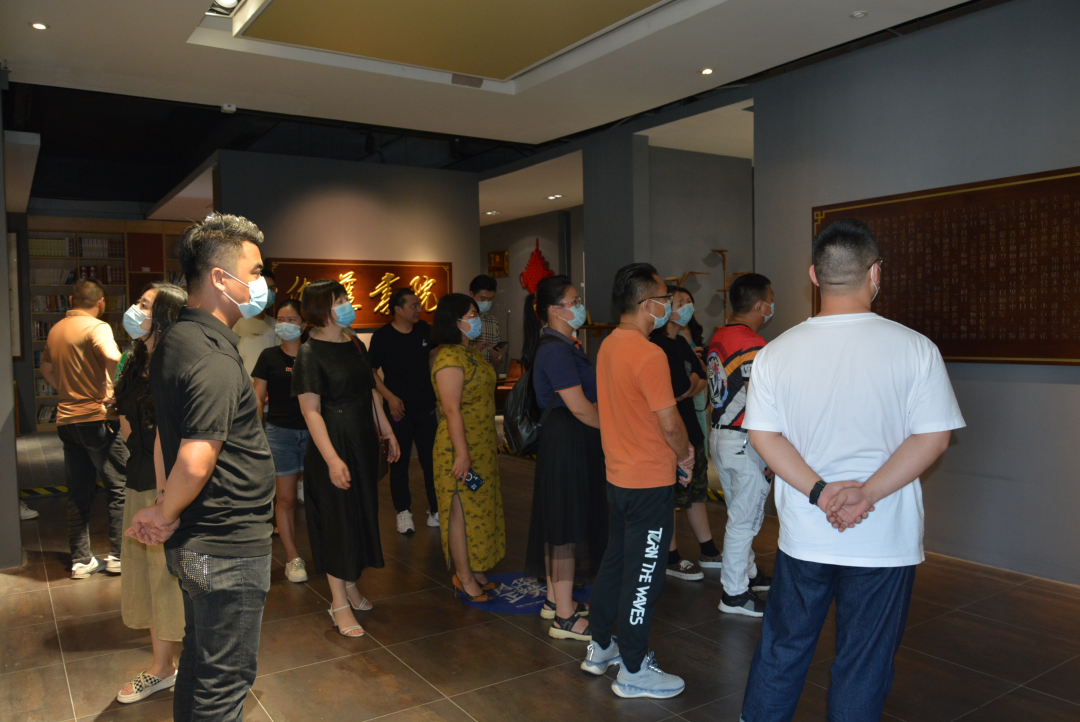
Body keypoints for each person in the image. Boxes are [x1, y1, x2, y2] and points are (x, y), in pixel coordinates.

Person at [739, 218, 965, 722]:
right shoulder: (915, 348)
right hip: (882, 536)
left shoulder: (776, 352)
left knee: (783, 649)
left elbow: (764, 437)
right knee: (864, 662)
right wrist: (867, 494)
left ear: (813, 276)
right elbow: (933, 437)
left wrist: (821, 493)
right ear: (875, 273)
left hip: (806, 532)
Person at [127, 212, 277, 720]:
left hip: (202, 540)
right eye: (254, 272)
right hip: (225, 545)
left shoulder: (178, 339)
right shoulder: (211, 353)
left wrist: (165, 507)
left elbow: (168, 438)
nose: (261, 283)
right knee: (224, 683)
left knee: (199, 663)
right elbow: (195, 457)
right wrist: (164, 511)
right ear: (220, 278)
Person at [581, 263, 695, 700]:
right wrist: (685, 454)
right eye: (665, 299)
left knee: (616, 563)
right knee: (645, 573)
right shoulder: (649, 355)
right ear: (648, 304)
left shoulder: (609, 344)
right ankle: (632, 668)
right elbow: (669, 423)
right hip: (648, 482)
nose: (669, 306)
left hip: (619, 477)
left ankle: (601, 646)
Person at [293, 279, 400, 638]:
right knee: (337, 521)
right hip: (334, 441)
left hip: (362, 439)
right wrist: (332, 459)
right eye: (338, 300)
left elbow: (370, 392)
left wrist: (387, 431)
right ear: (320, 309)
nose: (346, 305)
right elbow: (310, 411)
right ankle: (338, 601)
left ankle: (351, 584)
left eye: (345, 298)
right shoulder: (309, 353)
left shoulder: (354, 342)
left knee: (360, 515)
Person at [521, 276, 607, 642]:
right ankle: (565, 618)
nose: (580, 306)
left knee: (560, 522)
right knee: (565, 526)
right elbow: (579, 406)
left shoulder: (562, 344)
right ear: (555, 310)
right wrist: (612, 429)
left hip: (569, 437)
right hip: (568, 437)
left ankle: (557, 600)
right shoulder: (555, 350)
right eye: (574, 301)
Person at [113, 282, 187, 705]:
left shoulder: (176, 363)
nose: (135, 310)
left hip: (170, 486)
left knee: (175, 576)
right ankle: (163, 666)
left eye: (144, 305)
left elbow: (171, 433)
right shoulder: (133, 359)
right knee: (147, 574)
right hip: (139, 477)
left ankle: (178, 664)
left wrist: (164, 496)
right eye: (138, 302)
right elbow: (124, 416)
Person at [40, 277, 129, 579]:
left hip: (67, 420)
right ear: (101, 303)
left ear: (71, 302)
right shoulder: (97, 327)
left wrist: (67, 390)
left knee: (78, 493)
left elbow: (46, 368)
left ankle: (81, 561)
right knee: (119, 487)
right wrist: (117, 391)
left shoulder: (55, 330)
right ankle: (118, 556)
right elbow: (113, 357)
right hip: (97, 418)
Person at [707, 273, 776, 617]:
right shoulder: (753, 343)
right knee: (744, 520)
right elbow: (758, 401)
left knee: (738, 512)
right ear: (760, 305)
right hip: (743, 439)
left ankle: (748, 574)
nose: (771, 308)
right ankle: (734, 593)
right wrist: (771, 451)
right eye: (770, 301)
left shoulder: (719, 336)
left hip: (722, 436)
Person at [431, 293, 505, 602]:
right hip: (457, 449)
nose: (477, 319)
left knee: (480, 508)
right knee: (460, 512)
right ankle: (463, 576)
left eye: (476, 313)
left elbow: (483, 399)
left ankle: (475, 568)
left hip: (481, 445)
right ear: (455, 321)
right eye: (471, 314)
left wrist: (494, 436)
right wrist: (462, 454)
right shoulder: (449, 358)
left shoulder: (470, 353)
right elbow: (451, 410)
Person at [650, 287, 714, 583]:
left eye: (689, 301)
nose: (687, 306)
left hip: (692, 427)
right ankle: (671, 557)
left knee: (697, 493)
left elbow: (701, 378)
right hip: (673, 433)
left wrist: (692, 382)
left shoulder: (682, 342)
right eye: (680, 302)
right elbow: (681, 388)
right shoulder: (658, 346)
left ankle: (708, 549)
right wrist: (692, 382)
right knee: (674, 498)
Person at [368, 288, 440, 535]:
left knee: (431, 461)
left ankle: (436, 510)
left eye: (419, 304)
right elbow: (371, 372)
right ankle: (403, 512)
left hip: (426, 407)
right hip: (398, 410)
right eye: (413, 305)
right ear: (397, 310)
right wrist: (389, 397)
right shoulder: (383, 336)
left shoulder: (425, 330)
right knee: (399, 462)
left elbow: (433, 356)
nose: (419, 309)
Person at [252, 299, 310, 583]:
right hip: (279, 434)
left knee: (319, 497)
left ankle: (326, 552)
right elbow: (257, 398)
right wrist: (256, 434)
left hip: (314, 434)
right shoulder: (269, 356)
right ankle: (292, 557)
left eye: (292, 319)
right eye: (281, 319)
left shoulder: (314, 355)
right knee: (286, 499)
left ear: (304, 324)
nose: (285, 324)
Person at [234, 269, 278, 374]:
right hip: (242, 381)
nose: (269, 292)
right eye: (265, 287)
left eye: (272, 288)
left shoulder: (276, 324)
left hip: (267, 382)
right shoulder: (238, 320)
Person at [467, 275, 505, 367]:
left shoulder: (493, 321)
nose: (486, 302)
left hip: (487, 373)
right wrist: (474, 353)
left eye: (490, 299)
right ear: (472, 294)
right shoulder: (461, 320)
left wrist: (497, 357)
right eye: (482, 299)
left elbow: (496, 361)